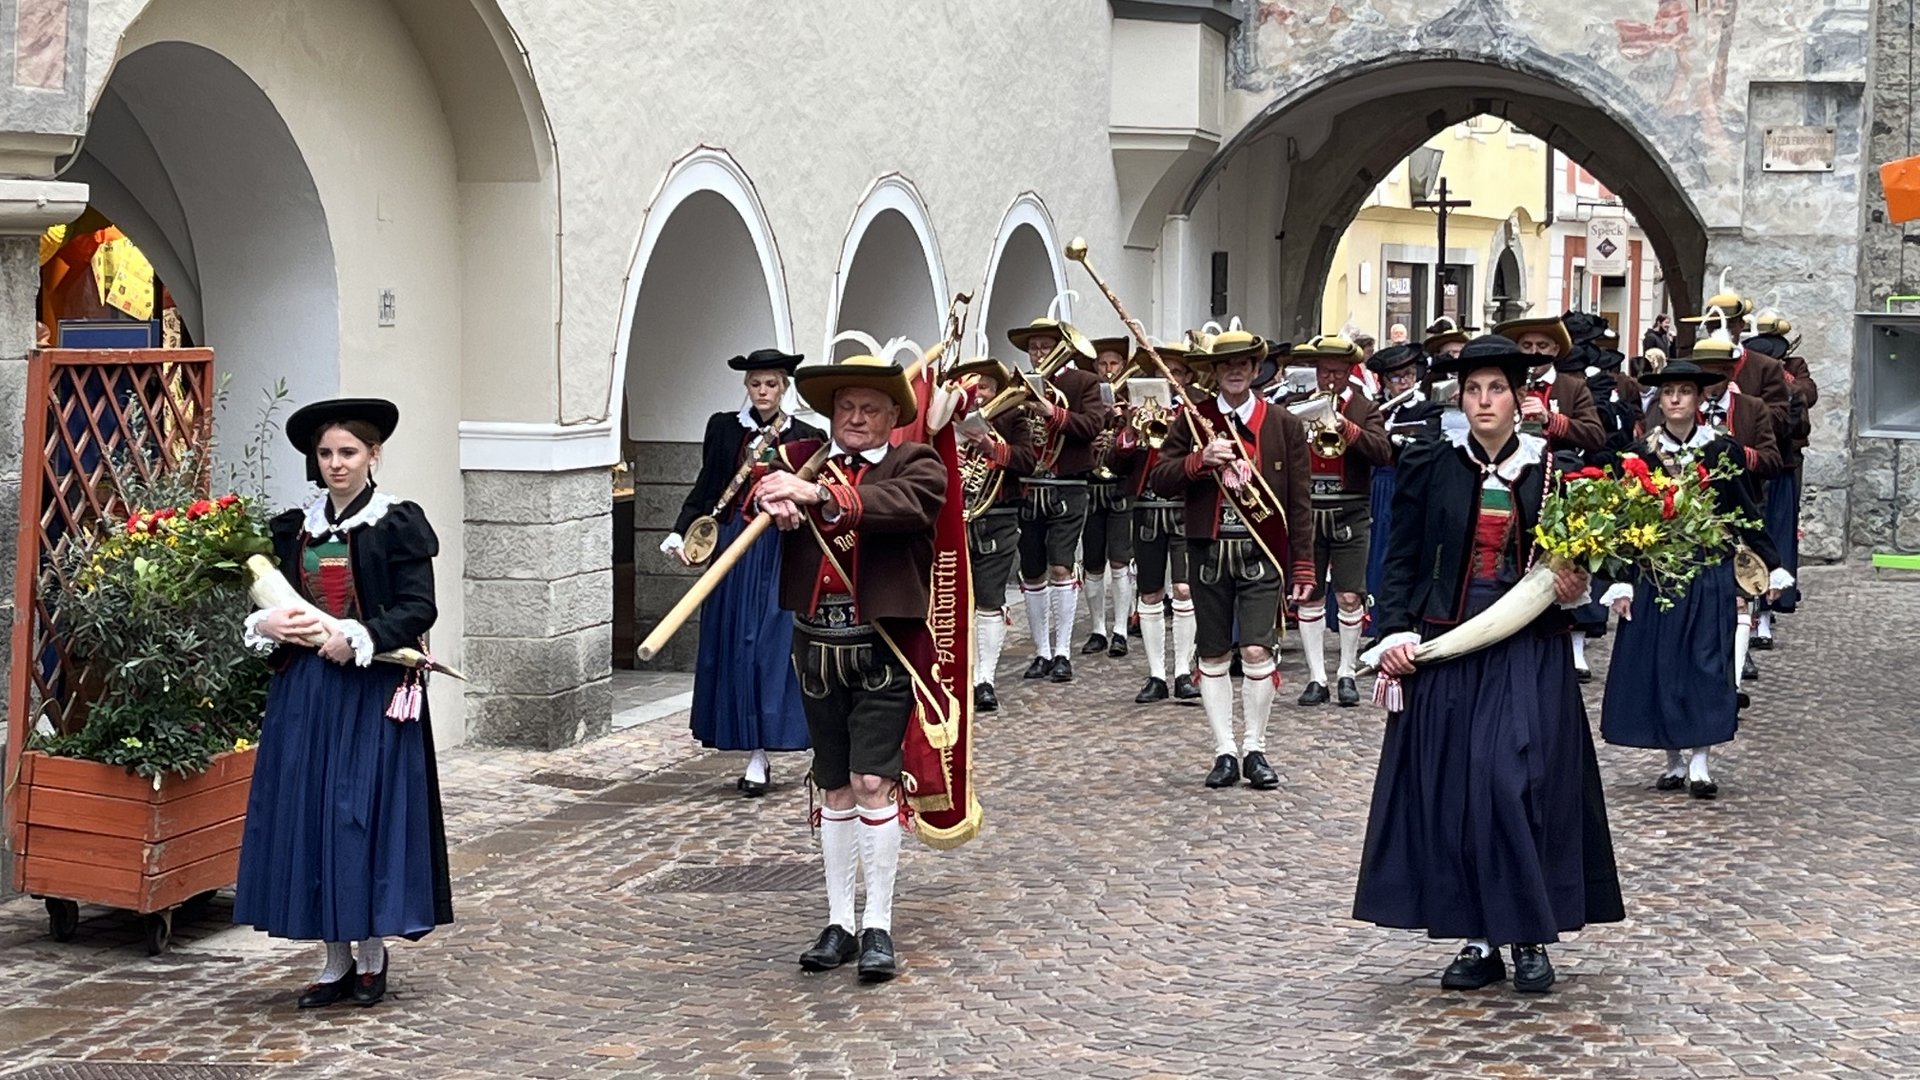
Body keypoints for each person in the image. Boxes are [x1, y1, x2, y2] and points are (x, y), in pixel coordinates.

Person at [1354, 334, 1624, 995]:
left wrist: (1579, 585)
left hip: (1528, 645)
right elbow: (1401, 560)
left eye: (1495, 389)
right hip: (1449, 643)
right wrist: (1391, 630)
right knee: (1460, 791)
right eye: (1473, 390)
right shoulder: (1428, 463)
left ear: (1517, 398)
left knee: (1517, 781)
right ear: (1460, 398)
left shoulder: (1552, 470)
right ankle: (1478, 937)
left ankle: (1528, 934)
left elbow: (1586, 559)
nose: (1483, 402)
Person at [236, 398, 452, 1008]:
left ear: (373, 455)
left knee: (359, 815)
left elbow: (418, 607)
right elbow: (271, 600)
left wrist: (358, 635)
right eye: (326, 453)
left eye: (348, 453)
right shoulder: (292, 528)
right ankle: (333, 959)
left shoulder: (395, 523)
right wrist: (268, 623)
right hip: (305, 694)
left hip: (371, 691)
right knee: (310, 815)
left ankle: (372, 952)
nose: (336, 464)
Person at [753, 350, 947, 983]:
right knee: (833, 783)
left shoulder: (916, 463)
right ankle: (838, 921)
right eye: (845, 407)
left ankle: (879, 926)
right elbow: (756, 490)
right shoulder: (803, 460)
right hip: (815, 647)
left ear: (894, 415)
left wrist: (818, 495)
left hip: (882, 646)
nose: (855, 418)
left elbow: (902, 506)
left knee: (872, 782)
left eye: (869, 408)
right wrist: (772, 499)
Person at [1599, 360, 1791, 798]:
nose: (1676, 399)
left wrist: (1771, 563)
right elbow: (1625, 523)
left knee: (1706, 666)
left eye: (1685, 391)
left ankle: (1701, 762)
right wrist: (1622, 581)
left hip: (1708, 572)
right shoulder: (1640, 455)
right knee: (1660, 667)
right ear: (1659, 400)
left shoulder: (1722, 451)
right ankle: (1671, 760)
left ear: (1699, 398)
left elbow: (1745, 512)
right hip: (1656, 574)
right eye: (1668, 392)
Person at [1148, 327, 1314, 790]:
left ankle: (1255, 748)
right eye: (1226, 364)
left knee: (1258, 648)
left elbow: (1299, 502)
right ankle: (1224, 750)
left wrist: (1303, 563)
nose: (1236, 370)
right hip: (1207, 551)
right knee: (1214, 652)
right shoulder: (1193, 420)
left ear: (1256, 368)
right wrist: (1199, 461)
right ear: (1215, 371)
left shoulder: (1283, 423)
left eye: (1244, 362)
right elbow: (1160, 478)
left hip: (1262, 552)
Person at [660, 349, 824, 796]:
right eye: (756, 384)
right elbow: (708, 484)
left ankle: (778, 743)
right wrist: (682, 531)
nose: (764, 392)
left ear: (784, 388)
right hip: (733, 545)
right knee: (734, 643)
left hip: (779, 550)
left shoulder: (808, 435)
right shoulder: (724, 428)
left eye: (772, 384)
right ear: (747, 387)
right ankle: (752, 748)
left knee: (772, 646)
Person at [1283, 336, 1393, 706]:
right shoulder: (1296, 407)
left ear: (1349, 373)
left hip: (1350, 508)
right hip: (1307, 510)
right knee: (1309, 594)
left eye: (1338, 371)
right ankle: (1317, 678)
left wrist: (1347, 428)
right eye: (1325, 370)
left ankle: (1346, 671)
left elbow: (1383, 452)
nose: (1330, 378)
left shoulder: (1364, 407)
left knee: (1349, 594)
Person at [1009, 315, 1110, 683]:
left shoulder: (1083, 382)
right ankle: (1040, 652)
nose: (1038, 354)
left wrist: (1052, 412)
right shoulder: (1018, 385)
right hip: (1027, 484)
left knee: (1061, 567)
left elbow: (1092, 426)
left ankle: (1063, 652)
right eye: (1033, 348)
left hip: (1067, 484)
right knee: (1031, 570)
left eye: (1044, 347)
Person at [1686, 333, 1783, 688]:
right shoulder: (1682, 406)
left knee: (1743, 581)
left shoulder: (1752, 408)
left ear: (1730, 374)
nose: (1712, 386)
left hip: (1740, 505)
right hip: (1690, 512)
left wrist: (1736, 455)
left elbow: (1773, 459)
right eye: (1706, 378)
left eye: (1719, 377)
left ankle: (1742, 654)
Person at [949, 357, 1036, 711]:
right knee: (953, 599)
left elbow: (1029, 461)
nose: (978, 395)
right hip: (955, 517)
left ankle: (984, 678)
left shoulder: (1012, 418)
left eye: (984, 387)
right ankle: (957, 673)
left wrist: (992, 448)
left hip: (996, 514)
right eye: (972, 388)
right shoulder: (944, 421)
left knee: (989, 596)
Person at [1128, 339, 1204, 703]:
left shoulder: (1196, 409)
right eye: (1162, 372)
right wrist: (1130, 432)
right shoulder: (1138, 406)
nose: (1168, 377)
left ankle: (1183, 671)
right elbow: (1116, 457)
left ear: (1187, 376)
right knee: (1150, 591)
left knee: (1186, 588)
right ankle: (1156, 673)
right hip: (1146, 505)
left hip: (1184, 505)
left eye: (1174, 372)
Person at [1740, 311, 1818, 643]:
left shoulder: (1793, 369)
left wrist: (1784, 381)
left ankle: (1767, 615)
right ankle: (1746, 613)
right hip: (1747, 466)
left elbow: (1805, 398)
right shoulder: (1742, 372)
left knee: (1776, 539)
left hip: (1781, 467)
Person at [1363, 343, 1445, 634]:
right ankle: (1369, 622)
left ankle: (1396, 620)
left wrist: (1393, 439)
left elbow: (1429, 442)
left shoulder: (1427, 408)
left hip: (1407, 485)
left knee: (1398, 552)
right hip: (1376, 487)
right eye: (1397, 377)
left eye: (1410, 375)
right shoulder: (1371, 408)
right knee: (1372, 552)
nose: (1405, 382)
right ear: (1384, 380)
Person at [1078, 338, 1140, 659]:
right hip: (1092, 486)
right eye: (1102, 364)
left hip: (1120, 486)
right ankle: (1097, 629)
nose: (1108, 369)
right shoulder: (1086, 400)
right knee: (1092, 561)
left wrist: (1120, 434)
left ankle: (1120, 630)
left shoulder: (1131, 399)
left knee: (1119, 557)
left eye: (1114, 363)